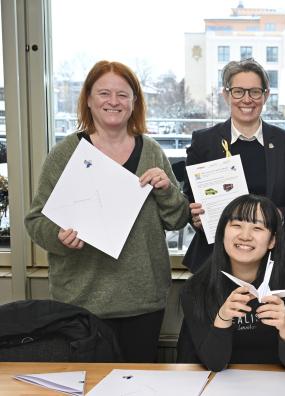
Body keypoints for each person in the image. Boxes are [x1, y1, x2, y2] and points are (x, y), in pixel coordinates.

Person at [24, 60, 190, 362]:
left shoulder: (152, 151)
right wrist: (58, 236)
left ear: (134, 102)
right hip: (82, 301)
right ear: (88, 99)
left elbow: (178, 219)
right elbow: (35, 221)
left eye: (123, 95)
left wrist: (167, 191)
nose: (113, 102)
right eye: (103, 93)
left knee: (140, 386)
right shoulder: (65, 154)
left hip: (143, 301)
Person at [183, 58, 285, 273]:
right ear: (226, 95)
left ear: (266, 95)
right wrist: (193, 214)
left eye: (255, 92)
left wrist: (269, 217)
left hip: (273, 262)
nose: (247, 99)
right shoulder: (204, 142)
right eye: (238, 91)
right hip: (213, 261)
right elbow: (189, 200)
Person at [177, 194, 285, 371]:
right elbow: (214, 364)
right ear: (222, 233)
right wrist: (223, 318)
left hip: (277, 383)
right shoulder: (196, 288)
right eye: (236, 225)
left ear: (272, 240)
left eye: (257, 228)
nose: (245, 236)